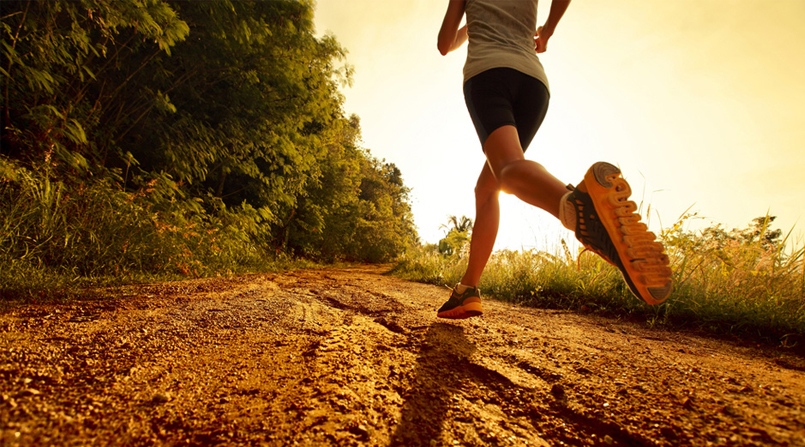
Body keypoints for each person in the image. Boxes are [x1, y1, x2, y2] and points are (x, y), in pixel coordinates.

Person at [435, 0, 672, 319]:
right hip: (534, 84)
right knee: (487, 187)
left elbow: (444, 44)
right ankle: (468, 289)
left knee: (506, 170)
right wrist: (547, 31)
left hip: (489, 73)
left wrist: (472, 20)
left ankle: (577, 205)